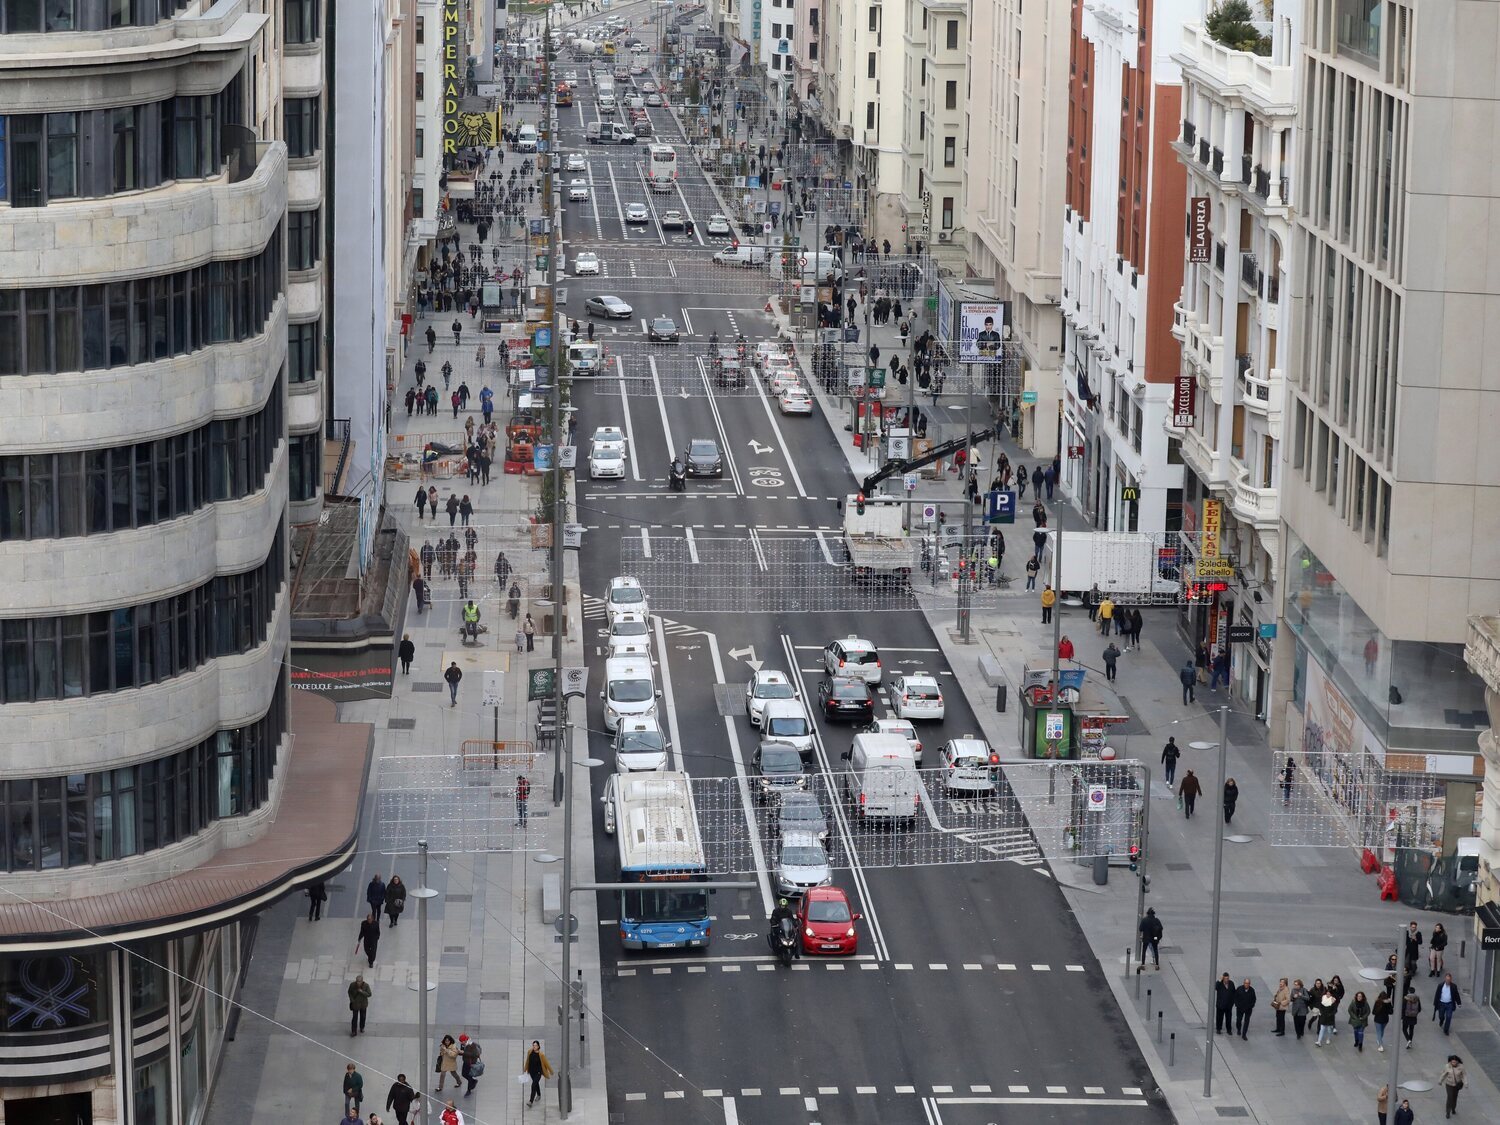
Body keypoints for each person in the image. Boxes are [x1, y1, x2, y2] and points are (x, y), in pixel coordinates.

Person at [522, 1040, 553, 1107]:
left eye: (535, 1045)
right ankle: (539, 1094)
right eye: (533, 1045)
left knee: (533, 1085)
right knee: (536, 1083)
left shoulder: (541, 1055)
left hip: (538, 1072)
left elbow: (546, 1063)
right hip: (532, 1072)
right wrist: (525, 1069)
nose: (534, 1046)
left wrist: (551, 1071)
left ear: (538, 1046)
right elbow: (528, 1061)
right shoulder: (530, 1052)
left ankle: (531, 1101)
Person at [1439, 1055, 1466, 1119]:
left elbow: (1464, 1075)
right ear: (1450, 1061)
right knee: (1450, 1097)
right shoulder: (1447, 1066)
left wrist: (1466, 1083)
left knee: (1454, 1097)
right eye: (1452, 1062)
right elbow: (1444, 1074)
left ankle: (1453, 1108)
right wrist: (1440, 1080)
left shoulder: (1461, 1067)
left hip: (1457, 1085)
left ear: (1457, 1062)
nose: (1453, 1063)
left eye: (1454, 1062)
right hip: (1449, 1084)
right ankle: (1448, 1112)